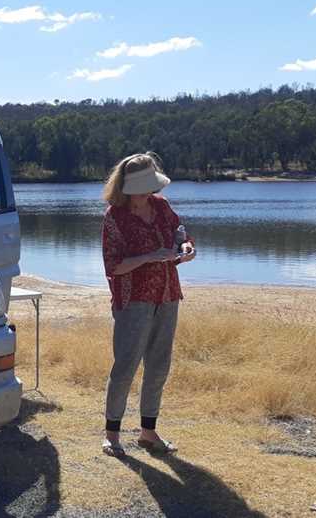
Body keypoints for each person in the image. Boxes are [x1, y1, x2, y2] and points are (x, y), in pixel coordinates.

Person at [100, 152, 195, 457]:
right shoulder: (114, 217)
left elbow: (179, 231)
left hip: (167, 296)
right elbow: (112, 266)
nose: (149, 193)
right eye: (143, 187)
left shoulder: (161, 207)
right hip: (133, 301)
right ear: (127, 186)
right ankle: (112, 436)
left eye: (151, 186)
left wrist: (185, 246)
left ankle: (148, 433)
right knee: (125, 367)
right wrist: (148, 257)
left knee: (158, 367)